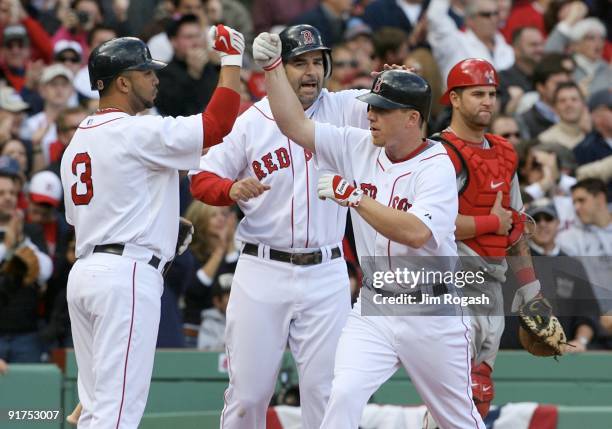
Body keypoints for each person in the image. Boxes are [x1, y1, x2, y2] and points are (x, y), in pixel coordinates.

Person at [256, 32, 486, 429]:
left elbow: (415, 233)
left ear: (412, 118)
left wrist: (356, 197)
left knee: (458, 420)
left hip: (432, 309)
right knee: (341, 397)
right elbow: (294, 124)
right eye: (371, 106)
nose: (370, 115)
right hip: (375, 305)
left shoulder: (437, 165)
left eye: (381, 109)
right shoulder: (359, 144)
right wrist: (273, 69)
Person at [59, 26, 244, 428]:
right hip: (125, 277)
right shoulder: (135, 130)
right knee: (117, 413)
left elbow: (84, 219)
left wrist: (157, 226)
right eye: (146, 72)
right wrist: (231, 62)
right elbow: (216, 125)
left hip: (88, 273)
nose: (155, 78)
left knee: (95, 411)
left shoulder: (76, 142)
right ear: (122, 82)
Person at [189, 24, 369, 429]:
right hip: (262, 268)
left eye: (316, 62)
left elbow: (394, 108)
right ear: (277, 67)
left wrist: (393, 81)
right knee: (248, 396)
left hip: (326, 270)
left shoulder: (347, 107)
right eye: (299, 62)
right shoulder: (251, 121)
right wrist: (231, 187)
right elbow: (201, 179)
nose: (310, 72)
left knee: (329, 392)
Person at [426, 58, 548, 424]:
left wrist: (530, 291)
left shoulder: (504, 153)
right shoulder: (437, 154)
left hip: (492, 282)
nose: (487, 101)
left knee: (478, 393)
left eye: (492, 94)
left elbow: (516, 229)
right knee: (462, 391)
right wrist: (492, 221)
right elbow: (431, 226)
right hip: (452, 280)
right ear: (455, 99)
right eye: (477, 93)